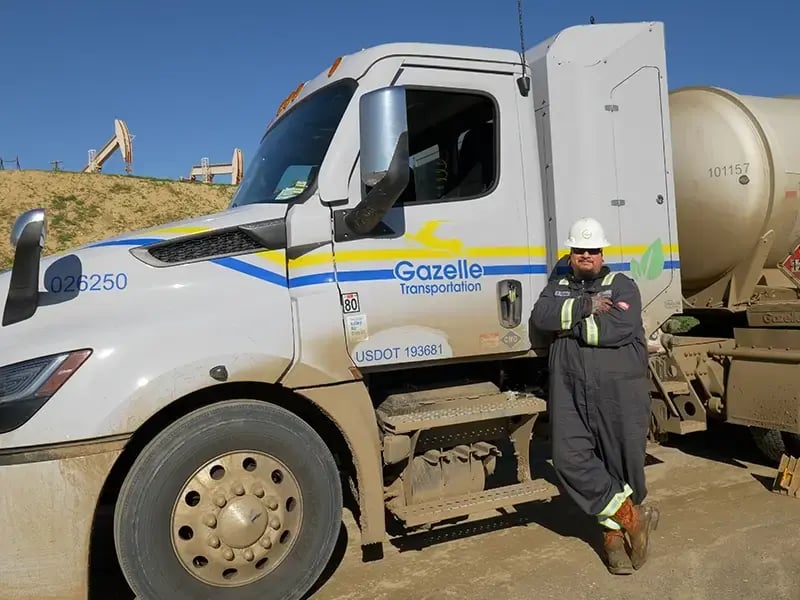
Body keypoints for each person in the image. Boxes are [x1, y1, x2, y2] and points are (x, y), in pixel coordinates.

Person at [530, 217, 659, 575]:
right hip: (570, 385)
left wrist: (567, 323)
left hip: (618, 388)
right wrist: (586, 307)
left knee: (622, 462)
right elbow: (542, 317)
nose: (586, 256)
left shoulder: (622, 286)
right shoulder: (558, 285)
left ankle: (613, 538)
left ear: (602, 253)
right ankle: (633, 517)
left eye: (592, 250)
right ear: (570, 254)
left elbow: (616, 329)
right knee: (569, 458)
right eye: (579, 250)